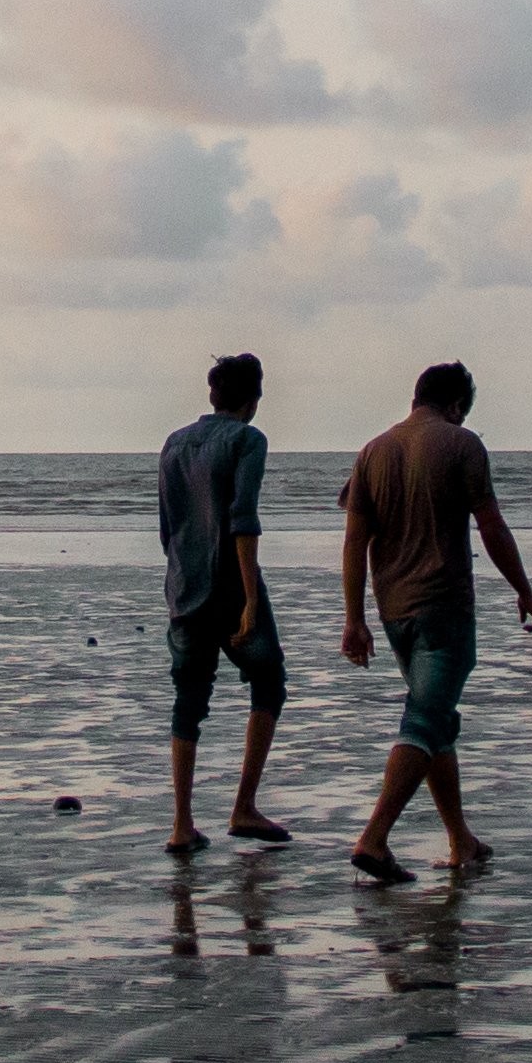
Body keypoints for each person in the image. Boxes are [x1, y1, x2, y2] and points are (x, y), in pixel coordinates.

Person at [337, 357, 532, 882]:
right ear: (455, 406)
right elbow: (491, 524)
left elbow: (355, 541)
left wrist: (353, 619)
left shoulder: (373, 451)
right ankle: (374, 839)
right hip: (444, 608)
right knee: (424, 721)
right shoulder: (460, 444)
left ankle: (460, 840)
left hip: (393, 612)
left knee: (437, 720)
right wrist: (524, 589)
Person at [153, 353, 294, 856]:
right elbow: (243, 519)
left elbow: (168, 528)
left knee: (189, 700)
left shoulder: (174, 443)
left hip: (184, 586)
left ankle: (181, 823)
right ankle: (244, 805)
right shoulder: (247, 440)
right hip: (230, 585)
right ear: (252, 400)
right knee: (269, 680)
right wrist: (251, 599)